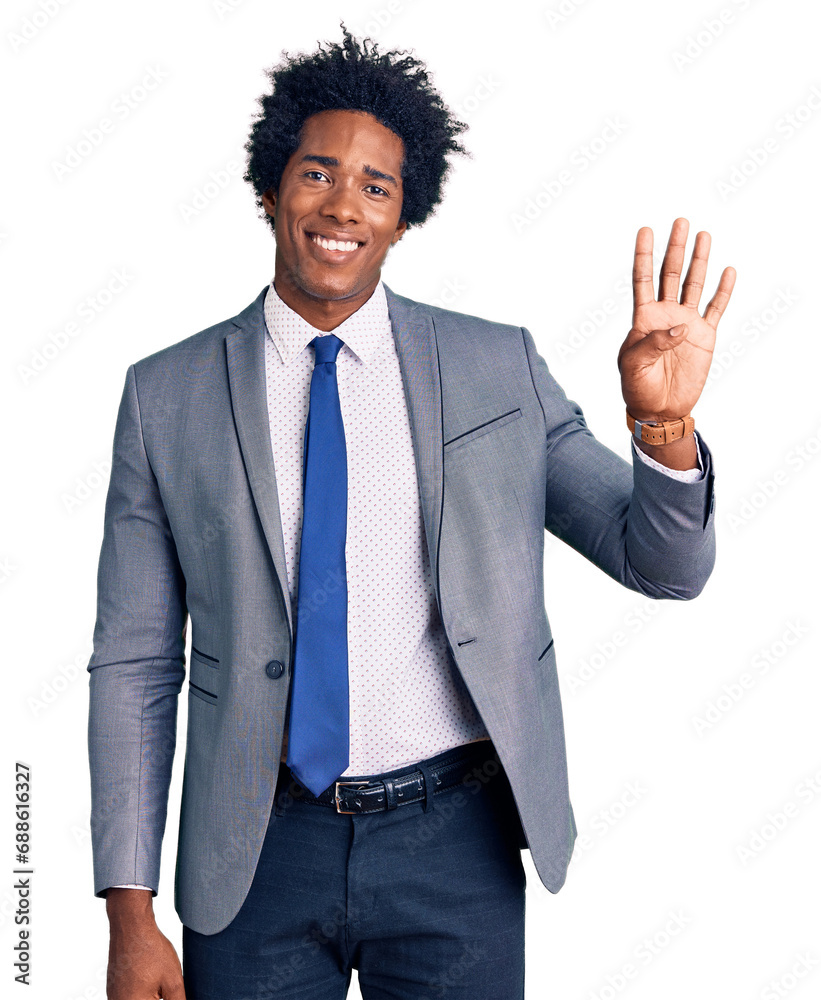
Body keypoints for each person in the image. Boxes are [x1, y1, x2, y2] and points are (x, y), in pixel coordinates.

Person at [87, 27, 734, 1000]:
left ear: (402, 216)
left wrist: (663, 422)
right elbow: (135, 663)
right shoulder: (164, 397)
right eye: (317, 172)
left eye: (376, 186)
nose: (343, 204)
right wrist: (129, 916)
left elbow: (662, 563)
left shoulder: (495, 370)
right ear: (271, 189)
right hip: (251, 851)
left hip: (454, 845)